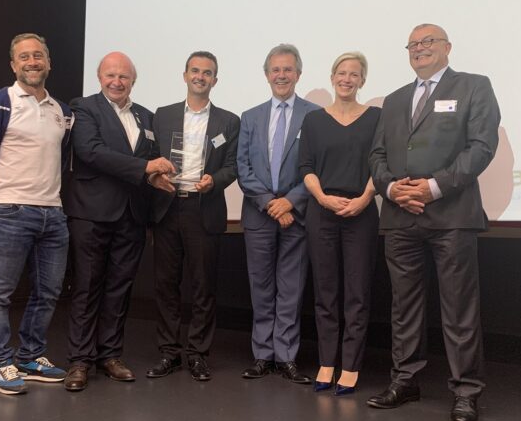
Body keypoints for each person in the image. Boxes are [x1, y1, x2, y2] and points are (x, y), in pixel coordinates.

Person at [367, 24, 501, 421]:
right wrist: (392, 189)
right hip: (399, 216)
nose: (420, 48)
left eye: (428, 42)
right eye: (413, 44)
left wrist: (434, 187)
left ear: (447, 47)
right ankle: (405, 380)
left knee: (459, 308)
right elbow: (376, 155)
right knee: (403, 307)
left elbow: (482, 146)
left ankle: (466, 392)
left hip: (452, 216)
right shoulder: (394, 99)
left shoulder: (474, 86)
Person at [0, 32, 73, 395]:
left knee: (48, 293)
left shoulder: (62, 112)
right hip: (10, 211)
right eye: (24, 57)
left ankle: (30, 356)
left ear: (48, 62)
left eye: (38, 55)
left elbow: (62, 160)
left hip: (53, 214)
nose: (32, 62)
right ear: (13, 65)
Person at [62, 51, 174, 392]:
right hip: (91, 213)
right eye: (110, 75)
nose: (117, 81)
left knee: (120, 288)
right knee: (87, 286)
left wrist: (153, 177)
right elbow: (91, 152)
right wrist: (146, 168)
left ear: (133, 81)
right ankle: (80, 360)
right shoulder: (84, 108)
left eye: (124, 76)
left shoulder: (146, 116)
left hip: (132, 215)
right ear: (100, 78)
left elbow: (148, 160)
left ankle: (110, 355)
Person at [145, 51, 240, 382]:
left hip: (204, 207)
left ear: (215, 80)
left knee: (203, 286)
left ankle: (198, 353)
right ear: (185, 75)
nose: (201, 76)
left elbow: (233, 166)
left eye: (207, 72)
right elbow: (148, 157)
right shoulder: (163, 115)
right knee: (165, 284)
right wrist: (153, 177)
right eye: (195, 71)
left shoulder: (229, 121)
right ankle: (169, 353)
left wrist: (215, 180)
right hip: (168, 207)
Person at [237, 44, 320, 384]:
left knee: (291, 288)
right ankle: (263, 355)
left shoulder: (315, 116)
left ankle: (286, 356)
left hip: (297, 216)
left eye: (288, 69)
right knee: (261, 288)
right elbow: (243, 167)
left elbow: (317, 166)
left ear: (298, 74)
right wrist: (271, 203)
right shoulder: (250, 116)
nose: (281, 75)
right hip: (260, 216)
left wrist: (291, 201)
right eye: (276, 70)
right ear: (267, 75)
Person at [300, 52, 380, 395]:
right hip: (322, 212)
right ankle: (326, 361)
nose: (347, 79)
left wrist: (365, 198)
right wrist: (322, 198)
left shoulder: (376, 118)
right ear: (332, 77)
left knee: (358, 293)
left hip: (361, 213)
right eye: (342, 73)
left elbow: (382, 164)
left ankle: (350, 365)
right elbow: (305, 167)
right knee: (325, 292)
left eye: (354, 74)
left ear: (363, 80)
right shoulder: (314, 121)